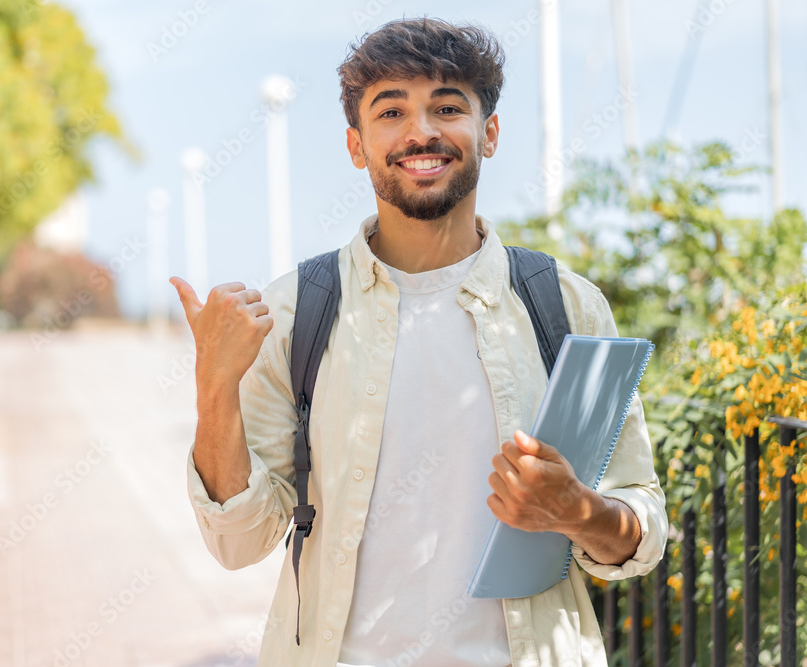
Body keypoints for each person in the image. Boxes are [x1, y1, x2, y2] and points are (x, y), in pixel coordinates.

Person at [170, 16, 668, 667]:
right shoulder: (298, 311)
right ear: (357, 144)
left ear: (489, 131)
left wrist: (580, 511)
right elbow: (240, 540)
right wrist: (216, 387)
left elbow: (641, 524)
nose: (421, 132)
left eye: (447, 107)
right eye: (391, 110)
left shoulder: (566, 306)